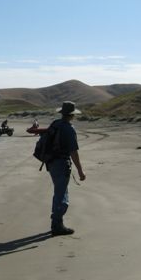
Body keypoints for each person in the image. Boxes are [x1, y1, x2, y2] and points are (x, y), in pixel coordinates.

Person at [47, 101, 86, 236]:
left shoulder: (55, 124)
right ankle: (57, 225)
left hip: (50, 163)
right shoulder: (69, 128)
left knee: (58, 192)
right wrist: (80, 171)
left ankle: (56, 222)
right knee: (62, 195)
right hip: (61, 163)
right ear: (72, 115)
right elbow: (73, 152)